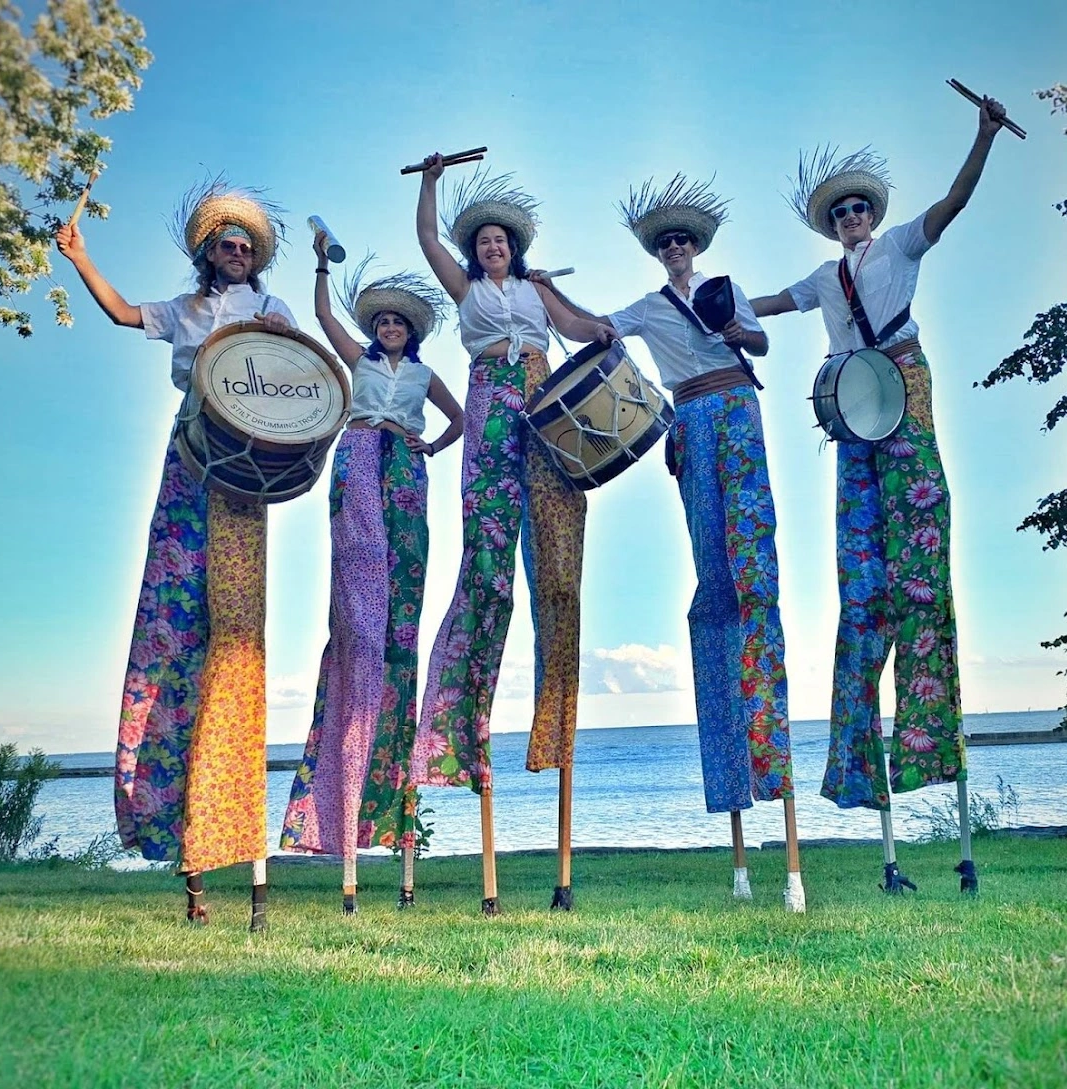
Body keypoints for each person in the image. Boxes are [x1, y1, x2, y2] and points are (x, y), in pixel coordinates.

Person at [751, 98, 1009, 894]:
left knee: (924, 575)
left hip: (904, 389)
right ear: (831, 224)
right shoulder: (824, 278)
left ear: (873, 213)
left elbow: (954, 204)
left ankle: (943, 777)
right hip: (850, 421)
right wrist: (708, 310)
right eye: (842, 212)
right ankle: (874, 805)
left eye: (860, 206)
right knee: (862, 594)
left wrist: (984, 135)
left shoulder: (899, 246)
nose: (853, 217)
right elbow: (764, 307)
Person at [542, 174, 804, 911]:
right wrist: (542, 292)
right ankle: (733, 805)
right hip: (689, 418)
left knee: (757, 575)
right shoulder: (650, 308)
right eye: (666, 244)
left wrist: (734, 329)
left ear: (697, 247)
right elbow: (591, 328)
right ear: (658, 255)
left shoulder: (724, 286)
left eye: (683, 240)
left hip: (736, 404)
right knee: (712, 584)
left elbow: (760, 341)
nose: (676, 249)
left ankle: (774, 781)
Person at [54, 178, 294, 930]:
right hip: (190, 462)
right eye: (226, 241)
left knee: (236, 640)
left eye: (246, 243)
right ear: (207, 251)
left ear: (256, 256)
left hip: (248, 471)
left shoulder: (270, 311)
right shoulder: (186, 310)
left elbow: (300, 379)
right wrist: (79, 258)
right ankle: (187, 859)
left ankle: (238, 840)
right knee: (174, 631)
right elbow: (126, 314)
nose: (236, 249)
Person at [406, 156, 616, 914]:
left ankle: (553, 733)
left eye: (501, 240)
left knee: (557, 575)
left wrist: (606, 329)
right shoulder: (466, 291)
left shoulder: (536, 288)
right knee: (488, 572)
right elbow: (427, 235)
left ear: (515, 246)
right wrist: (431, 178)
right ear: (476, 251)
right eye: (484, 241)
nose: (493, 247)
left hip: (546, 401)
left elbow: (581, 327)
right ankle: (460, 735)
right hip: (489, 401)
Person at [280, 239, 464, 914]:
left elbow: (462, 418)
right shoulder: (357, 360)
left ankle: (396, 822)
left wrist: (433, 447)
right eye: (382, 322)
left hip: (406, 470)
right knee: (359, 617)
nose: (389, 330)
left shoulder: (420, 375)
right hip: (358, 457)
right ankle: (343, 812)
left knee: (401, 624)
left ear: (410, 332)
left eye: (398, 324)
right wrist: (323, 267)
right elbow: (323, 318)